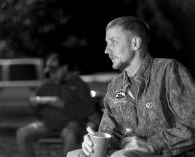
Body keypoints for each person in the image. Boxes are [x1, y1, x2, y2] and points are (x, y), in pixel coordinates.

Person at [67, 16, 195, 157]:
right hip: (126, 152)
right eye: (106, 43)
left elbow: (192, 122)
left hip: (167, 153)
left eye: (113, 42)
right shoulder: (115, 86)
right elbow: (110, 134)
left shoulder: (168, 70)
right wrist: (94, 141)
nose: (106, 50)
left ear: (135, 43)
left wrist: (151, 145)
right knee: (75, 154)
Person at [16, 53, 99, 157]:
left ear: (64, 68)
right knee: (22, 133)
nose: (51, 74)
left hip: (70, 124)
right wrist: (33, 104)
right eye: (49, 72)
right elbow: (32, 110)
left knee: (70, 134)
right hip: (48, 124)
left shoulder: (79, 85)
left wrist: (63, 104)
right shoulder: (45, 85)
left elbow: (88, 110)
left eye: (54, 71)